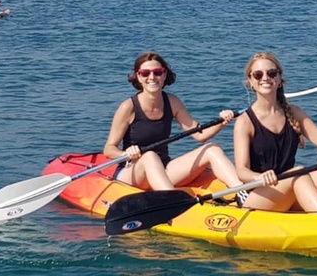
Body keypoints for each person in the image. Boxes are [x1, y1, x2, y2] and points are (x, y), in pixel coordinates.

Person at [233, 52, 317, 213]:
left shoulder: (294, 112)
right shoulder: (244, 122)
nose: (265, 78)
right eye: (258, 75)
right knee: (298, 173)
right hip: (257, 195)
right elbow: (242, 171)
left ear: (279, 79)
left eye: (271, 73)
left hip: (289, 186)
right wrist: (258, 177)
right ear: (251, 81)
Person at [103, 51, 247, 202]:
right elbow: (109, 149)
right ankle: (173, 203)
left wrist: (222, 121)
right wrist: (126, 153)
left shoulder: (172, 102)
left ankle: (242, 193)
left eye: (157, 72)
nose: (152, 77)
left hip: (163, 169)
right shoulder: (128, 107)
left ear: (164, 75)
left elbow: (200, 135)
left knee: (212, 149)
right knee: (150, 156)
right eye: (145, 73)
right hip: (131, 172)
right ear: (139, 77)